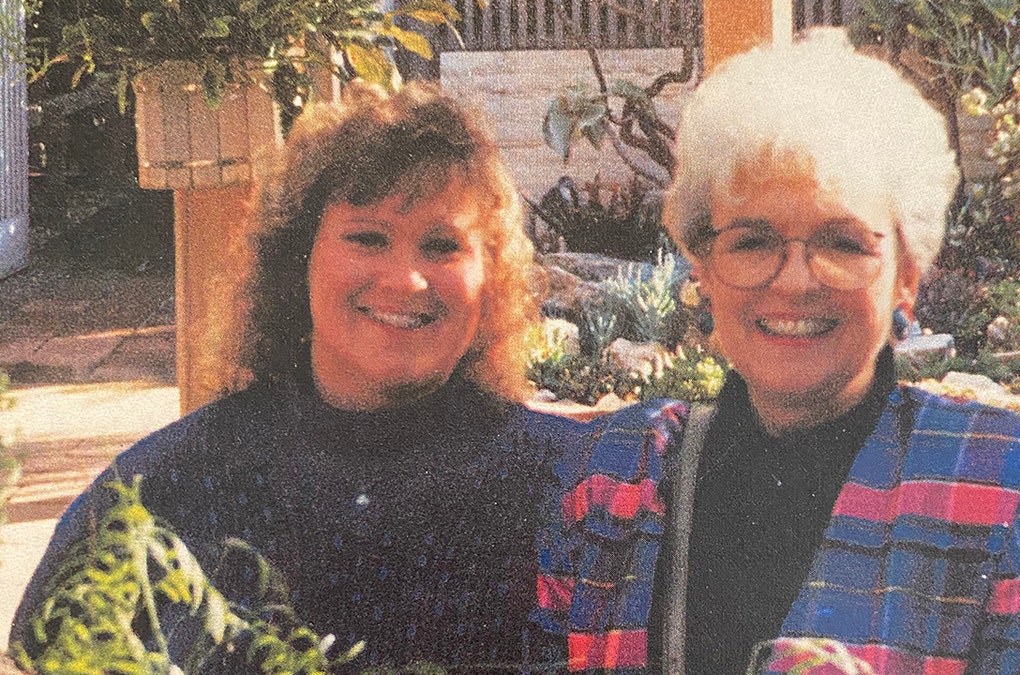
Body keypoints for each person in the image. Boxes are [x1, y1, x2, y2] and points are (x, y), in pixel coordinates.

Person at [533, 30, 1020, 674]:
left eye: (842, 243)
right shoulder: (618, 473)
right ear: (703, 269)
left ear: (906, 275)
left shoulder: (1014, 484)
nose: (795, 280)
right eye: (753, 242)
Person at [11, 82, 596, 672]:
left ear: (491, 277)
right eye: (367, 237)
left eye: (442, 245)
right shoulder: (167, 489)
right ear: (299, 257)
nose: (406, 280)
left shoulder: (573, 493)